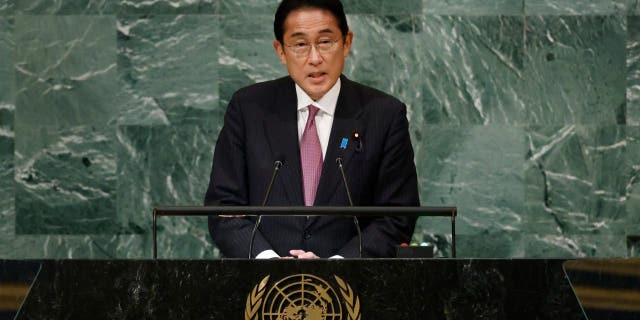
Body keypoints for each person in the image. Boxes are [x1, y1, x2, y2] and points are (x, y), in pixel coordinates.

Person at [204, 0, 419, 259]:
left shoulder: (384, 115)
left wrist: (337, 265)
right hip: (260, 288)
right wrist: (269, 261)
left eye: (326, 42)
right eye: (300, 44)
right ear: (280, 50)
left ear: (347, 42)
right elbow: (224, 208)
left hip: (354, 288)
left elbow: (397, 216)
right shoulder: (248, 109)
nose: (315, 58)